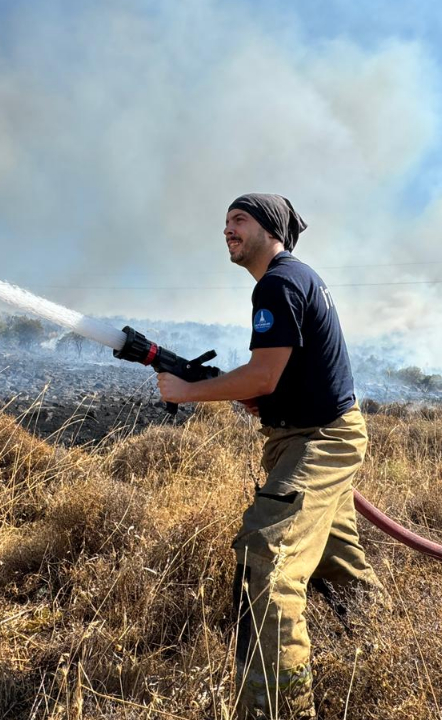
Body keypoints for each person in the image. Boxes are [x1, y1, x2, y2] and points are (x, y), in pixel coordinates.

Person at [157, 193, 381, 719]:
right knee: (336, 557)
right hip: (314, 435)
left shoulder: (278, 283)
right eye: (226, 222)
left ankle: (277, 707)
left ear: (269, 229)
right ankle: (382, 643)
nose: (228, 229)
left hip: (318, 441)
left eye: (239, 220)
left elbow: (263, 374)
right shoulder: (292, 278)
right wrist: (251, 392)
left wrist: (184, 393)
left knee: (269, 558)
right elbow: (275, 376)